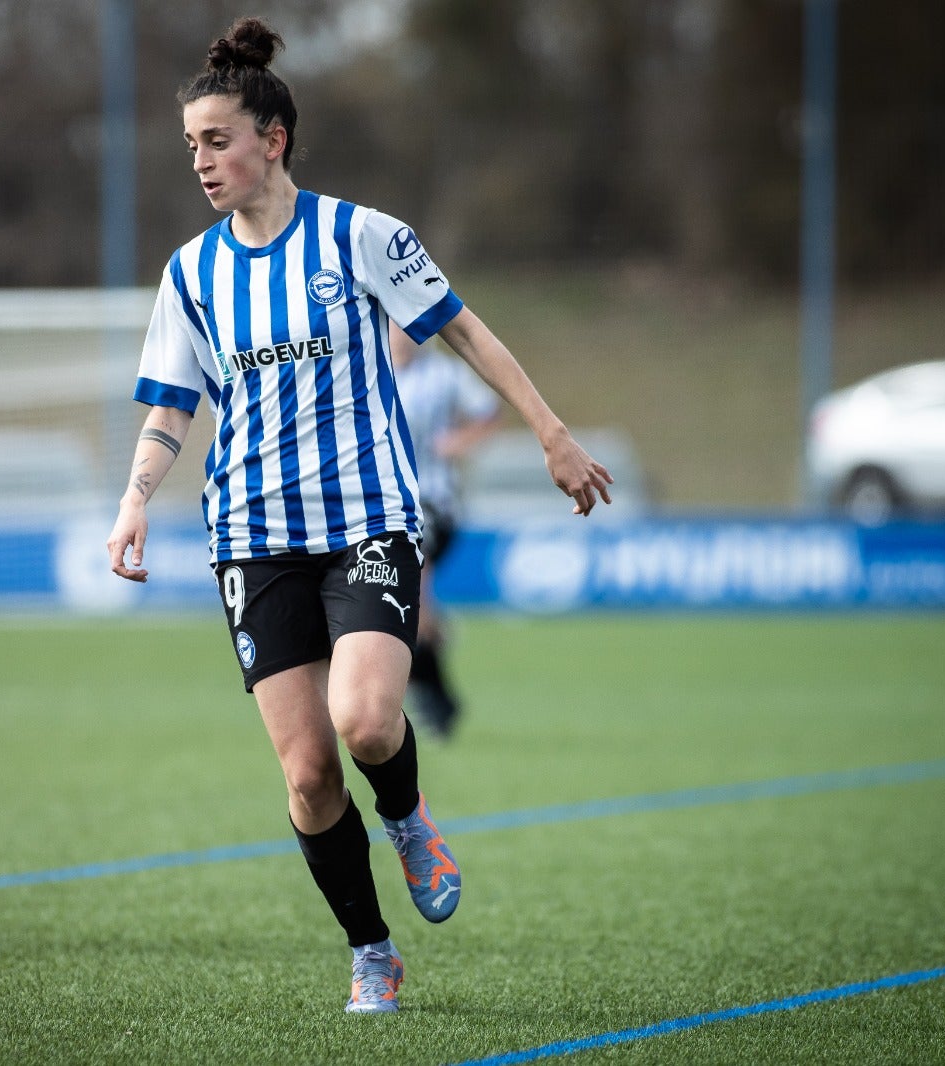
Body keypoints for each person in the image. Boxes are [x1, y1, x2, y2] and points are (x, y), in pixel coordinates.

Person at [105, 19, 612, 1014]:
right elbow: (172, 403)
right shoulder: (190, 274)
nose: (202, 162)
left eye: (217, 141)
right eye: (191, 146)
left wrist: (549, 429)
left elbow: (461, 329)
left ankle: (411, 817)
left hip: (369, 519)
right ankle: (370, 947)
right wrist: (133, 501)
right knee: (304, 774)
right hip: (249, 538)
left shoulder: (361, 237)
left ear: (273, 140)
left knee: (367, 720)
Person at [389, 323, 500, 736]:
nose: (402, 338)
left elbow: (489, 413)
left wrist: (458, 442)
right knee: (410, 604)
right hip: (386, 508)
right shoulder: (368, 370)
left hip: (434, 503)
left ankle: (435, 698)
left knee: (412, 594)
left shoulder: (445, 374)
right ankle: (435, 683)